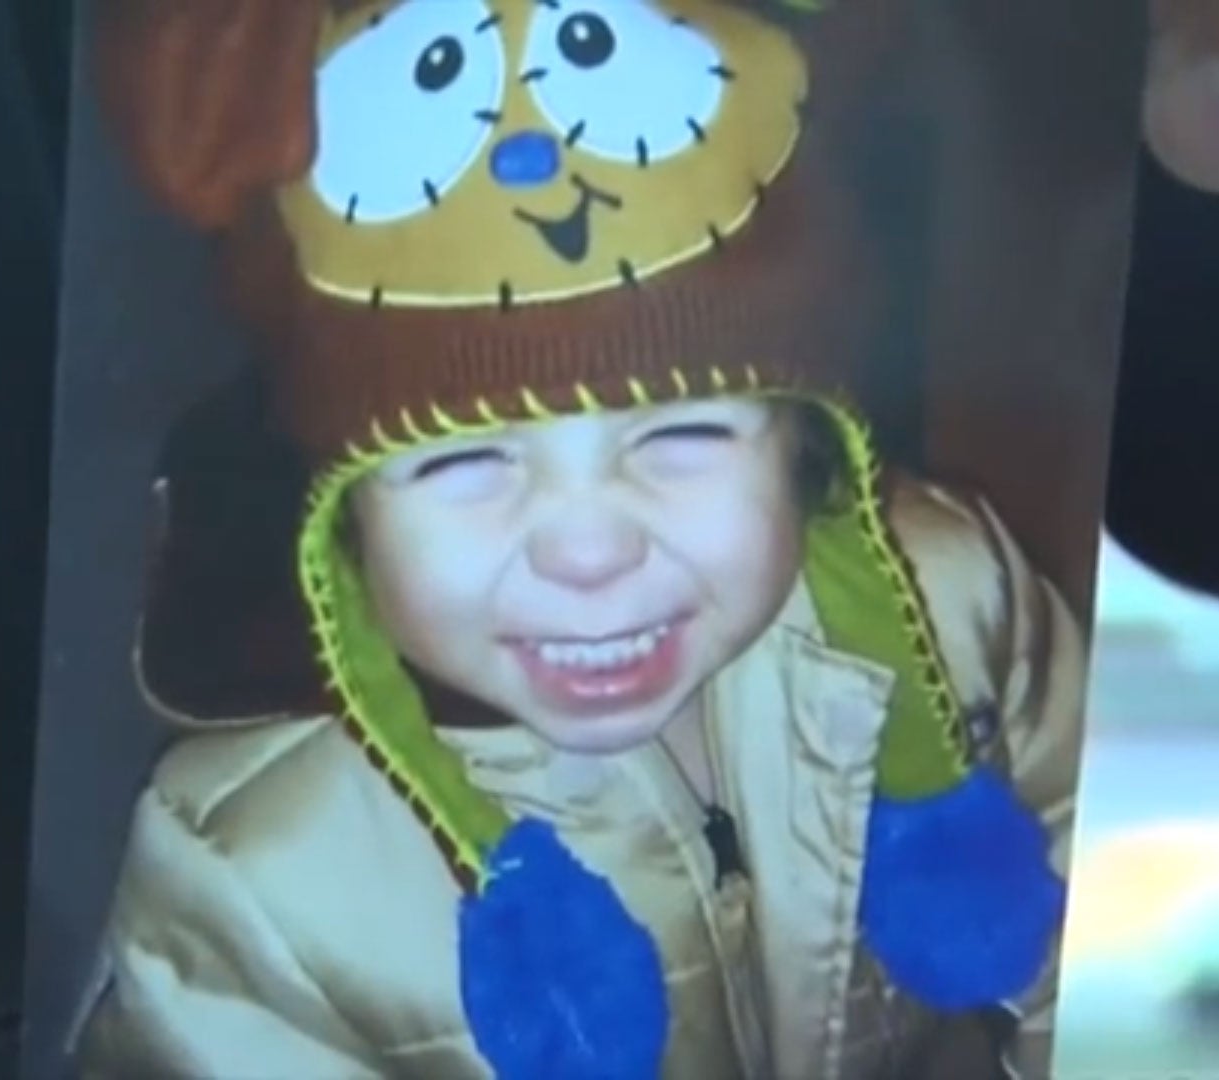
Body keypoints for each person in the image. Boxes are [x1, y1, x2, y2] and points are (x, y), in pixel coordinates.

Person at [73, 2, 1078, 1077]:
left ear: (802, 440)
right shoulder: (247, 874)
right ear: (345, 511)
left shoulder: (959, 592)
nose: (589, 551)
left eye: (685, 432)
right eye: (462, 459)